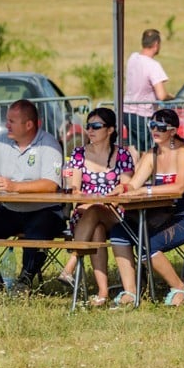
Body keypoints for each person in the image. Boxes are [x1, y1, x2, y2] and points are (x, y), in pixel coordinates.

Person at [0, 99, 65, 291]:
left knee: (38, 231)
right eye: (7, 120)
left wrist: (13, 186)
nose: (6, 124)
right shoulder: (1, 142)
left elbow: (51, 184)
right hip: (9, 209)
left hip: (45, 210)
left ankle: (25, 281)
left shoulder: (49, 144)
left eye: (11, 121)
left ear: (29, 125)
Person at [108, 109, 184, 307]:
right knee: (119, 232)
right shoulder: (150, 155)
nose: (155, 130)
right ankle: (130, 292)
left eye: (160, 127)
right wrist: (122, 188)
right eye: (151, 126)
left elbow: (179, 187)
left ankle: (179, 287)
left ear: (172, 131)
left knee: (148, 244)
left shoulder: (183, 151)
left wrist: (147, 191)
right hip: (163, 215)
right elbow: (135, 185)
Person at [57, 108, 134, 306]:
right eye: (88, 126)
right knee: (96, 226)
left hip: (115, 212)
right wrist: (81, 197)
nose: (90, 130)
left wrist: (104, 200)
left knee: (96, 210)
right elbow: (75, 190)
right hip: (85, 213)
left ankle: (71, 264)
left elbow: (124, 188)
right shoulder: (79, 154)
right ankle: (102, 293)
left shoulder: (123, 155)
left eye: (96, 126)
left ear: (110, 130)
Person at [123, 29, 173, 155]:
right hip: (143, 113)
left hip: (127, 111)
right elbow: (161, 95)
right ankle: (146, 174)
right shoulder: (153, 65)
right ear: (156, 44)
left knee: (133, 148)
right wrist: (170, 97)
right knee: (148, 151)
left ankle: (131, 174)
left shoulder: (133, 58)